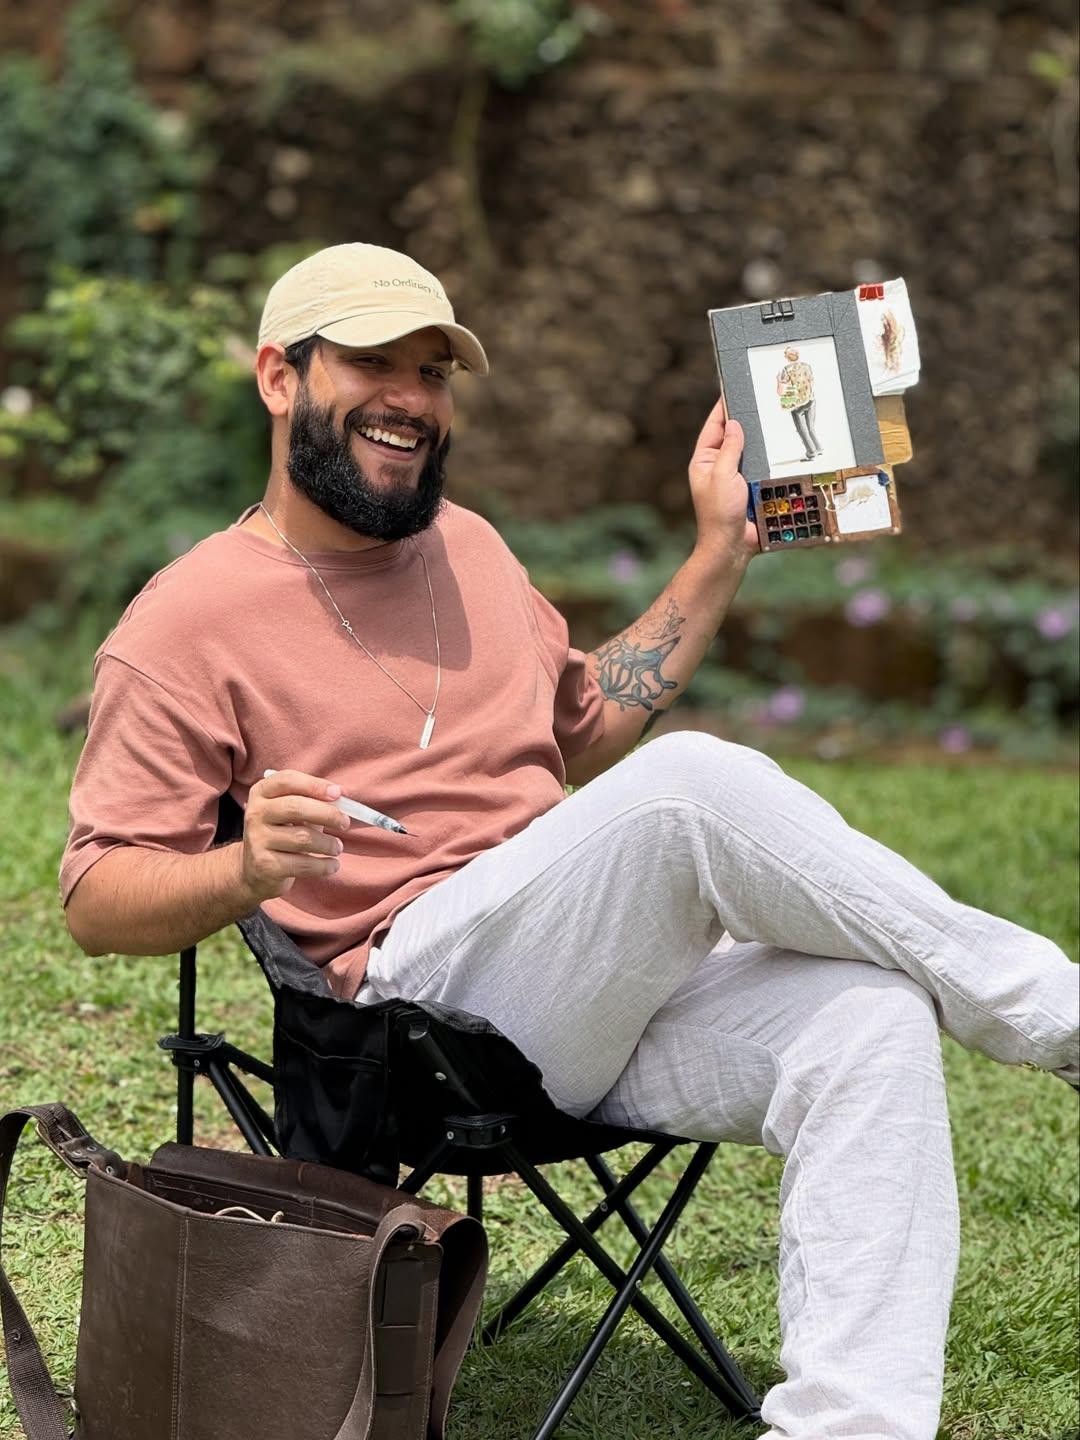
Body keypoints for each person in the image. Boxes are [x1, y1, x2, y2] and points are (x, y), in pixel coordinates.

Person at [61, 243, 1078, 1440]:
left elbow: (581, 726)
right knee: (694, 785)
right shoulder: (184, 618)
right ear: (280, 377)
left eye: (434, 371)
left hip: (577, 996)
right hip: (415, 1022)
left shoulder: (472, 547)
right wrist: (245, 867)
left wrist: (721, 551)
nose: (412, 398)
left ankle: (849, 1427)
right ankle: (1055, 1013)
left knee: (870, 1020)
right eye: (373, 363)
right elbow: (92, 895)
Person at [776, 346, 822, 461]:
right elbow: (811, 381)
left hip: (797, 404)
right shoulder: (807, 366)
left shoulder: (786, 370)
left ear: (787, 357)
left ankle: (811, 453)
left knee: (802, 430)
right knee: (811, 427)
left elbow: (781, 391)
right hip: (811, 400)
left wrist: (778, 380)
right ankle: (818, 448)